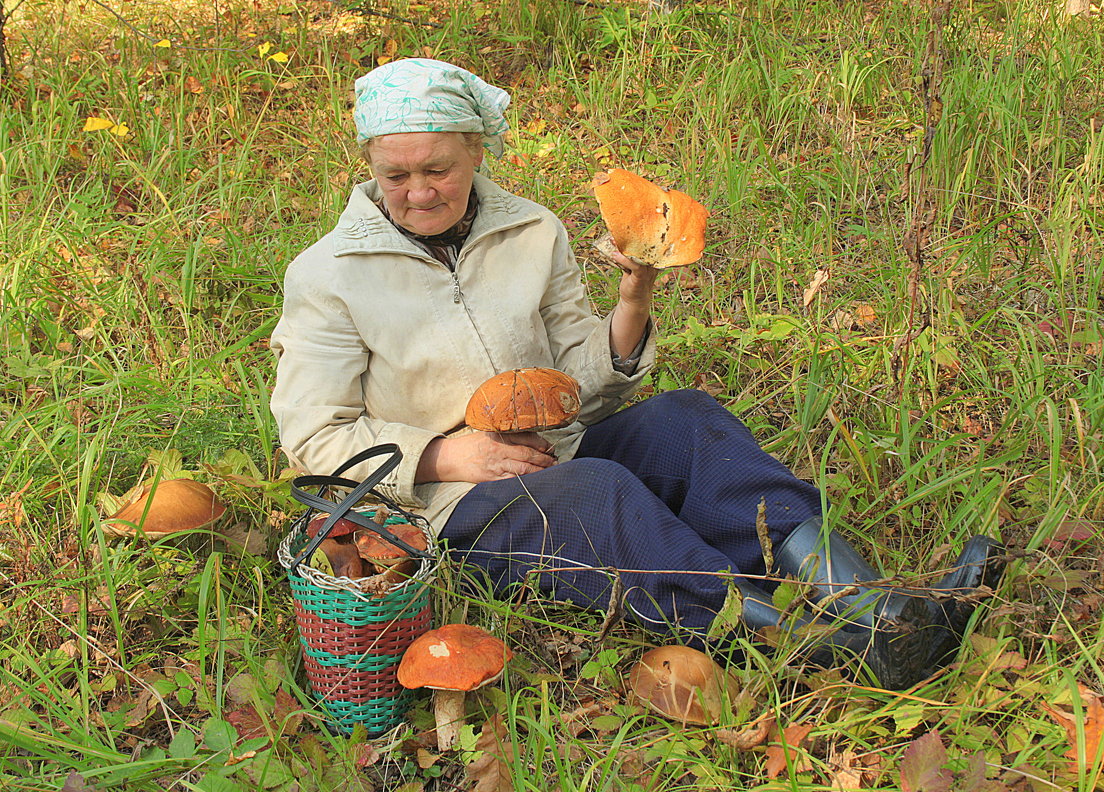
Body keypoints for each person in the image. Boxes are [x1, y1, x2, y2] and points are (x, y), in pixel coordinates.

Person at [268, 58, 1004, 690]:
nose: (418, 191)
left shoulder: (530, 230)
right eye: (395, 173)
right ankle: (829, 650)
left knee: (689, 422)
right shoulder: (330, 274)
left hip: (557, 448)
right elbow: (311, 434)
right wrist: (444, 452)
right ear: (369, 164)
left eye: (438, 169)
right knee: (598, 494)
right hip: (444, 505)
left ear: (477, 153)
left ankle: (874, 606)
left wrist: (633, 296)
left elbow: (586, 383)